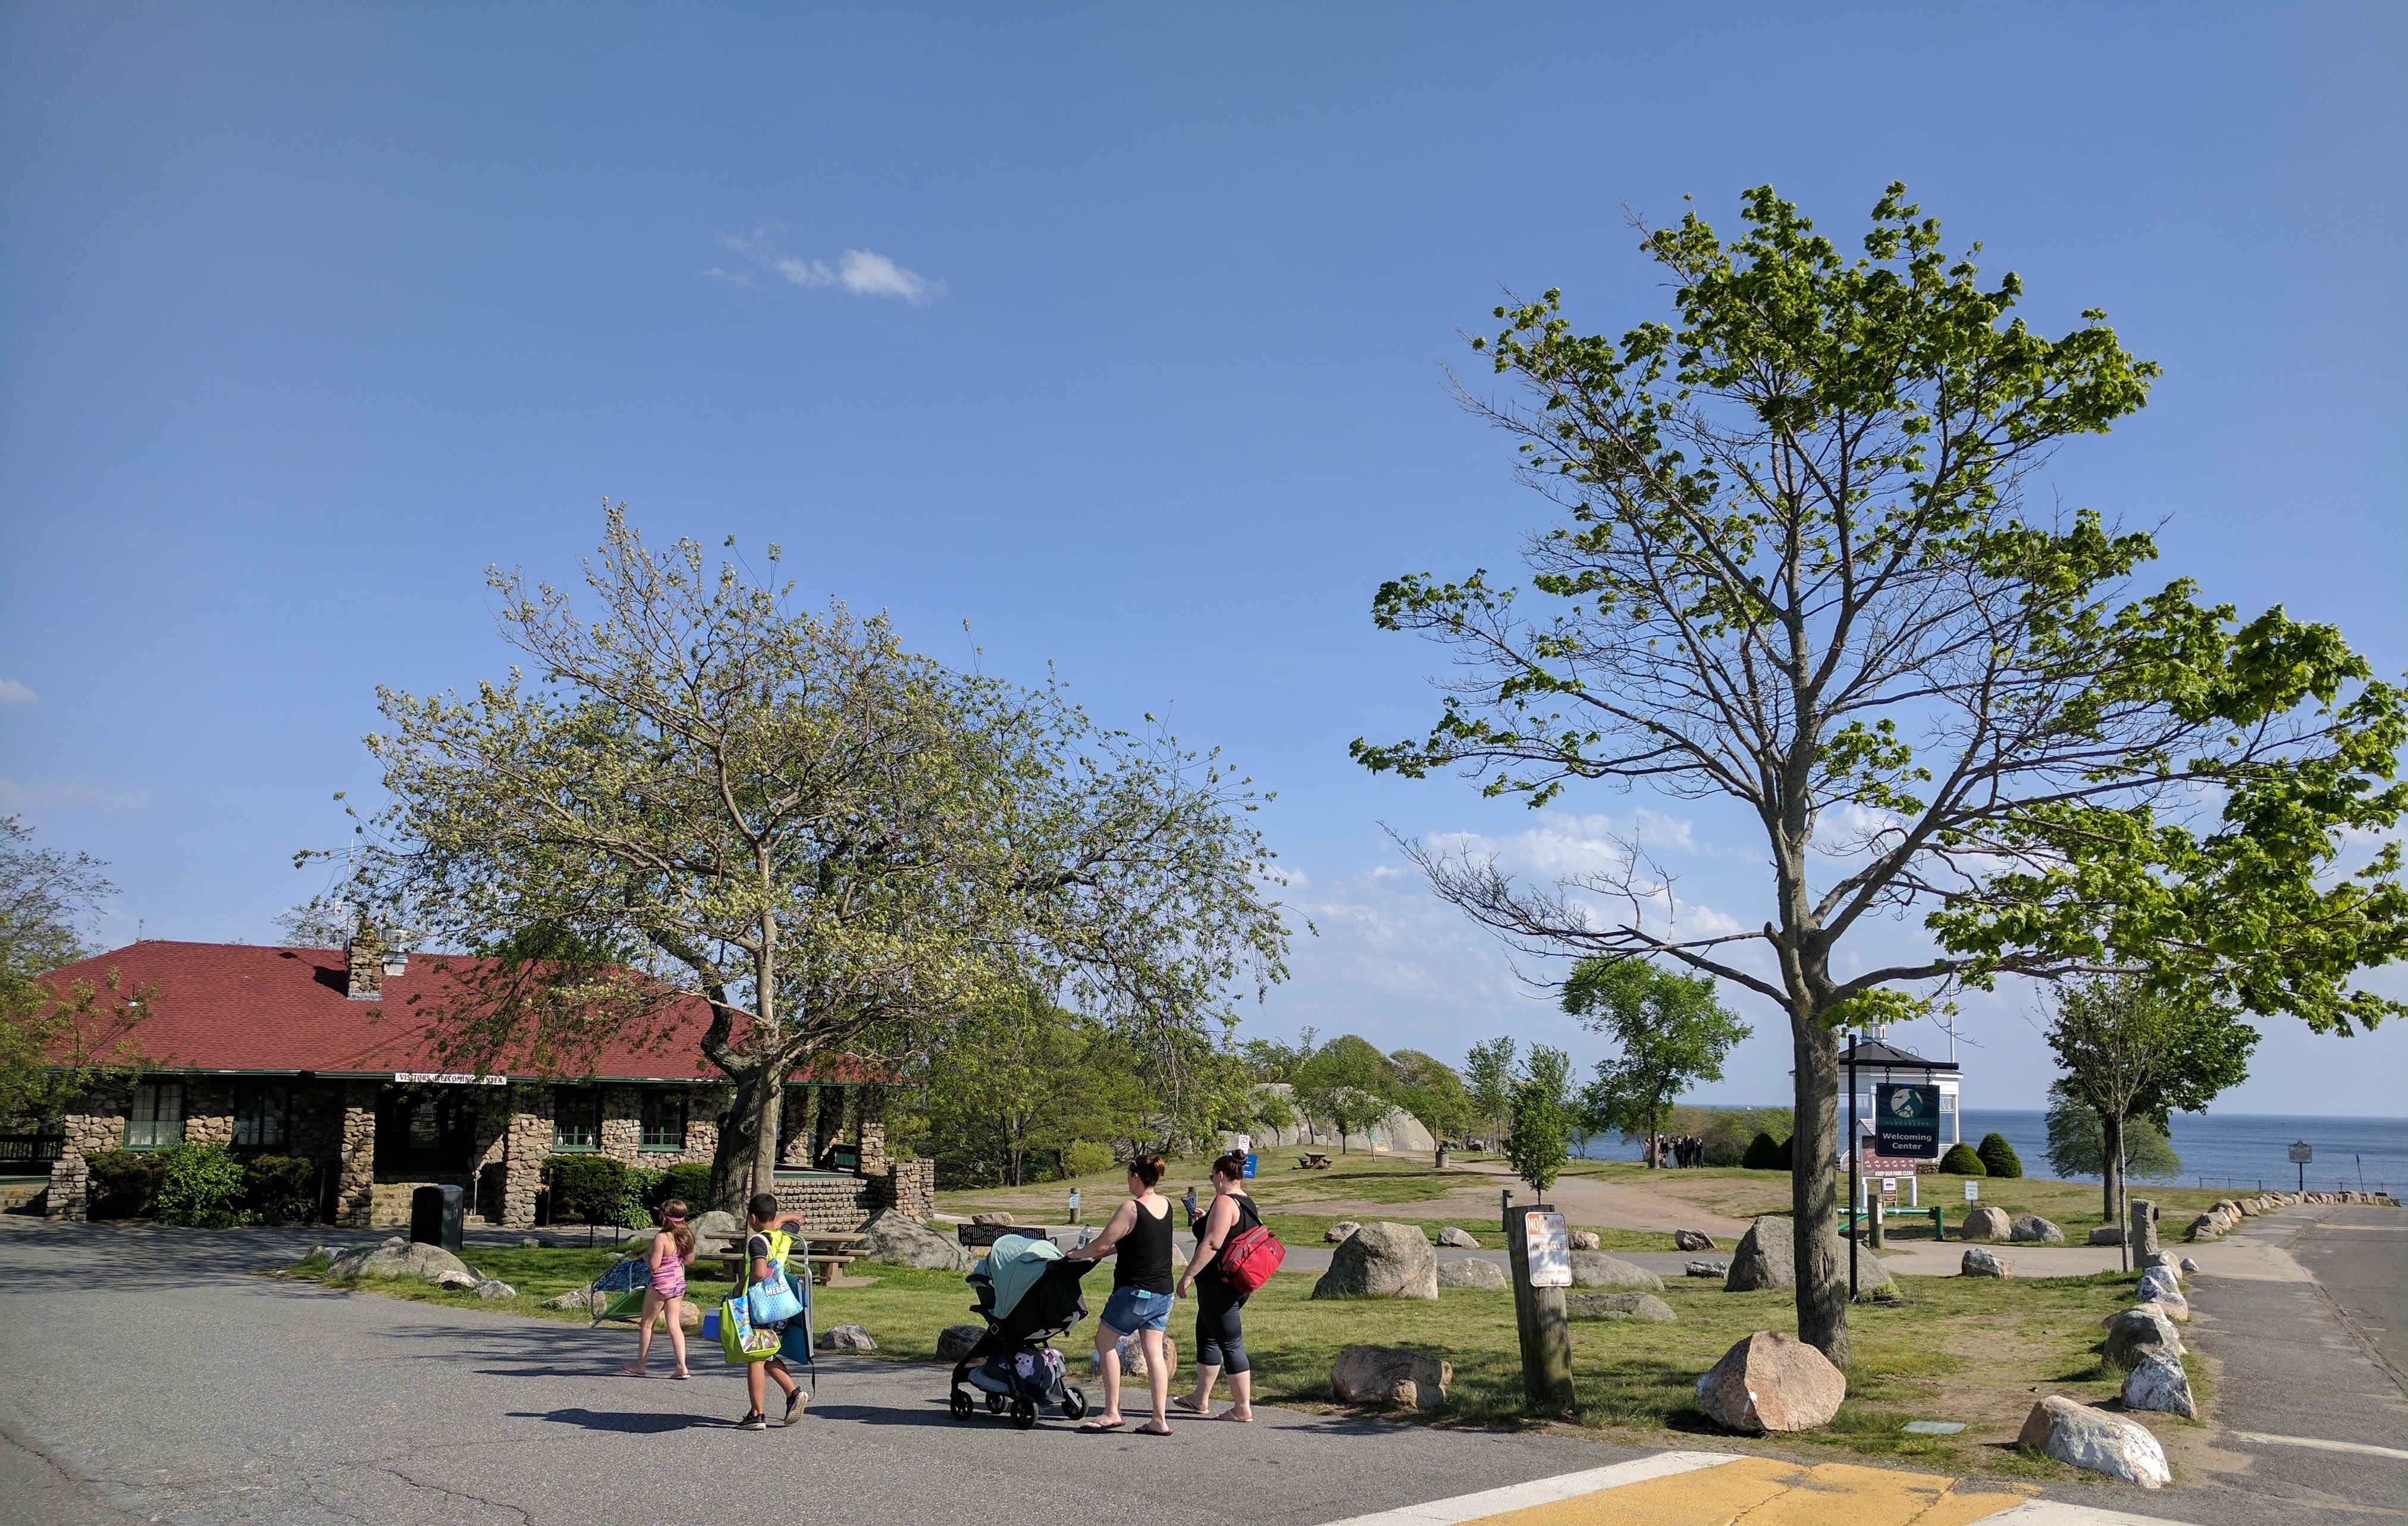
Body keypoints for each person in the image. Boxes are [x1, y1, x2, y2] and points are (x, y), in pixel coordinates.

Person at [1063, 1154, 1175, 1435]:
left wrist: (1076, 1255)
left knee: (1105, 1343)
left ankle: (1112, 1412)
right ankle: (1159, 1420)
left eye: (1128, 1175)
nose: (1127, 1180)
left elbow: (1102, 1245)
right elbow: (1133, 1242)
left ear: (1137, 1177)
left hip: (1136, 1291)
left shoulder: (1131, 1207)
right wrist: (1099, 1252)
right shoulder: (1166, 1204)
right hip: (1163, 1292)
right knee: (1154, 1354)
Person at [1174, 1153, 1259, 1421]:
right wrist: (1203, 1219)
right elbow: (1227, 1234)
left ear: (1221, 1175)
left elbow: (1212, 1244)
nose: (1211, 1181)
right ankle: (1200, 1398)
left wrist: (1188, 1275)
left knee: (1231, 1343)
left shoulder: (1224, 1202)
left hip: (1220, 1285)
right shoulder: (1246, 1202)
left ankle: (1242, 1407)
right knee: (1207, 1334)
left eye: (1212, 1176)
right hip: (1235, 1283)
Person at [737, 1192, 807, 1431]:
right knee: (765, 1353)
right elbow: (792, 1222)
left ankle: (757, 1414)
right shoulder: (784, 1236)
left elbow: (758, 1271)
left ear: (752, 1218)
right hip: (781, 1304)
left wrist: (741, 1283)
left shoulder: (757, 1242)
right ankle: (793, 1393)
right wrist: (789, 1217)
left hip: (761, 1306)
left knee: (755, 1357)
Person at [622, 1198, 698, 1379]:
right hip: (678, 1284)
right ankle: (682, 1367)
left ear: (664, 1216)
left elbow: (655, 1265)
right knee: (674, 1326)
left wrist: (645, 1256)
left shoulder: (662, 1238)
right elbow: (689, 1260)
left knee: (647, 1324)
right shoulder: (688, 1235)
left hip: (660, 1285)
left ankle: (640, 1365)